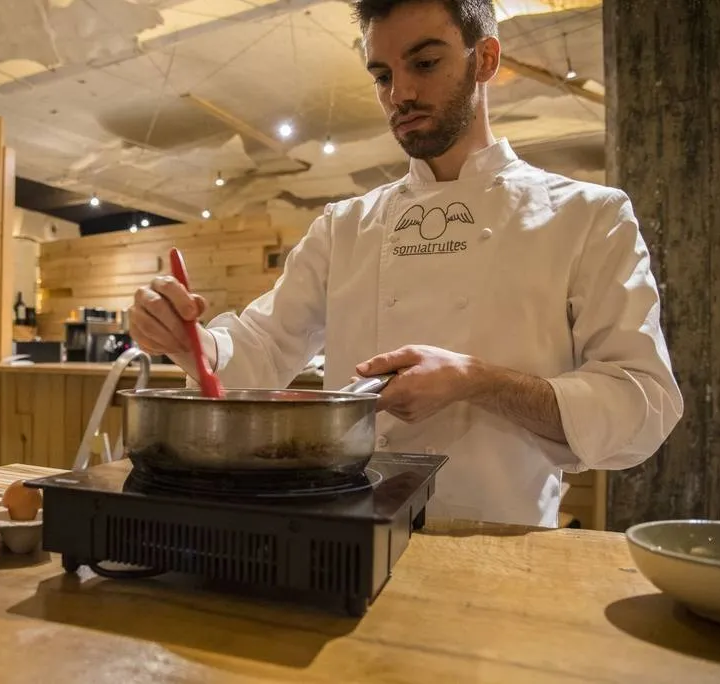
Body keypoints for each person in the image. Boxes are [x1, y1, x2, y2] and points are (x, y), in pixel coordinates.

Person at [128, 0, 683, 527]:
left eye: (425, 62)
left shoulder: (587, 216)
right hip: (350, 534)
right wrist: (187, 339)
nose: (401, 93)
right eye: (382, 75)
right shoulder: (345, 226)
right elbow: (263, 347)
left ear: (484, 59)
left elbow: (643, 403)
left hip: (500, 544)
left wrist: (478, 380)